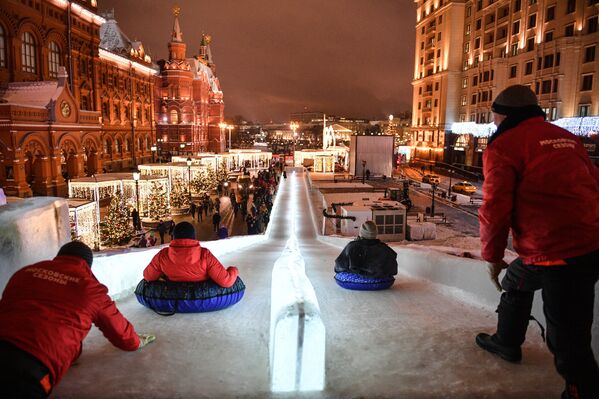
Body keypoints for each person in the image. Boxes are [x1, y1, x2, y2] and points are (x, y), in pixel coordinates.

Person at [475, 85, 599, 399]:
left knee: (569, 341)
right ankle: (507, 342)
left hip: (560, 253)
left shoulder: (505, 146)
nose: (493, 124)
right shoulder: (568, 138)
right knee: (516, 280)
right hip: (585, 242)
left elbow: (495, 207)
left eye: (494, 119)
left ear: (502, 116)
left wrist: (491, 256)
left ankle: (579, 390)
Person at [0, 241, 155, 397]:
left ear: (59, 256)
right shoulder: (90, 288)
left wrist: (73, 352)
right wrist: (136, 341)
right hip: (30, 367)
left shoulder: (25, 273)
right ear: (88, 265)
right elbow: (120, 332)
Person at [143, 222, 238, 287]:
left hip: (173, 298)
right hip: (201, 297)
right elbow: (226, 281)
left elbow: (148, 276)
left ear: (174, 237)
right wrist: (234, 270)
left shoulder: (163, 255)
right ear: (193, 237)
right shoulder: (205, 254)